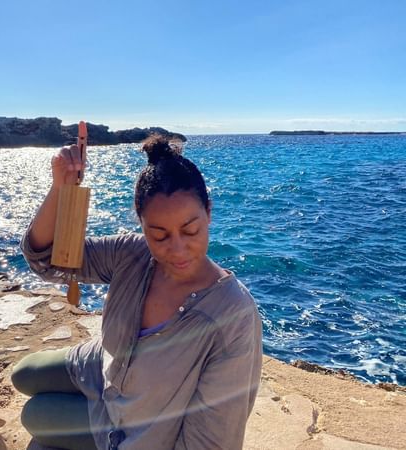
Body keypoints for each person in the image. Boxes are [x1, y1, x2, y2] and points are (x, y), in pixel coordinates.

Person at [13, 135, 263, 450]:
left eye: (190, 231)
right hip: (102, 371)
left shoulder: (232, 316)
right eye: (158, 235)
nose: (177, 249)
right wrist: (61, 190)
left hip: (141, 431)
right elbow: (47, 262)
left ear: (208, 213)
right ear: (141, 224)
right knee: (23, 374)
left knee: (36, 420)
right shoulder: (133, 254)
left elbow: (212, 443)